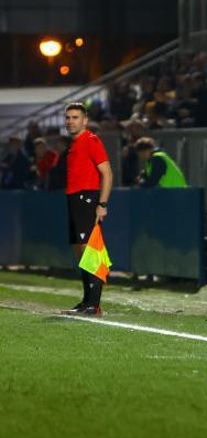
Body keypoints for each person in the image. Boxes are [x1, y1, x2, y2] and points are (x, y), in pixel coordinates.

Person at [60, 102, 113, 316]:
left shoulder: (91, 140)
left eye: (75, 117)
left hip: (86, 198)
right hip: (74, 198)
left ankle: (94, 304)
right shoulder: (73, 144)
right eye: (68, 117)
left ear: (85, 120)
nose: (70, 121)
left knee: (90, 251)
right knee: (80, 251)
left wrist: (102, 203)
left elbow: (107, 173)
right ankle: (87, 301)